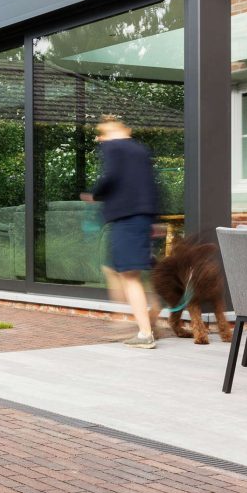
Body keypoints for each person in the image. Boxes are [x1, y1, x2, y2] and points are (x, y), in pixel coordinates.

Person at [81, 115, 161, 349]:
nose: (99, 139)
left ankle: (145, 331)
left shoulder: (113, 147)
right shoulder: (140, 150)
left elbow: (111, 177)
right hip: (140, 217)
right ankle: (130, 319)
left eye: (101, 134)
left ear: (108, 133)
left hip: (126, 217)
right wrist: (152, 219)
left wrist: (94, 194)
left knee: (129, 275)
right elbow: (153, 186)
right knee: (113, 268)